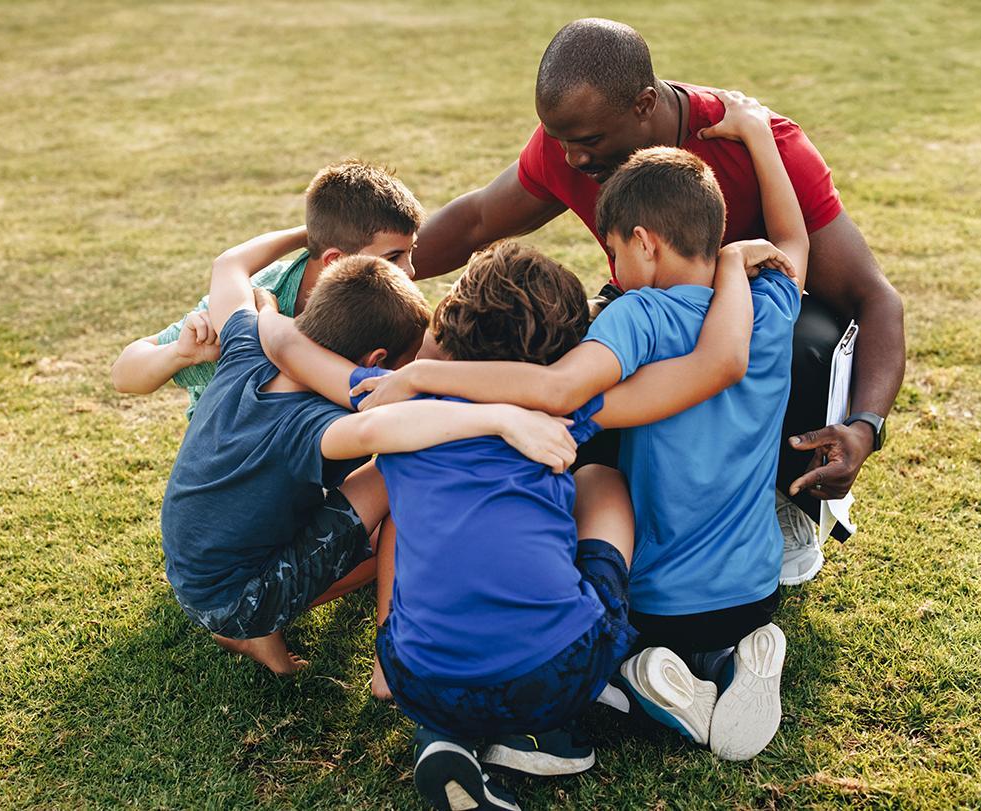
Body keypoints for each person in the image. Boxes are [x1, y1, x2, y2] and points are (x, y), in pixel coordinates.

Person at [355, 100, 807, 761]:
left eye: (616, 250)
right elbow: (796, 242)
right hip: (754, 589)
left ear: (645, 241)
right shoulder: (769, 301)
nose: (614, 268)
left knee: (596, 478)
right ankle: (734, 655)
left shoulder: (638, 317)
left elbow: (557, 391)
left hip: (659, 600)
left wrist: (430, 378)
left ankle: (638, 667)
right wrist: (760, 135)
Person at [258, 239, 779, 806]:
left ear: (450, 322)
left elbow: (290, 347)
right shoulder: (558, 413)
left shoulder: (391, 407)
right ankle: (556, 718)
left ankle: (443, 734)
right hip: (553, 673)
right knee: (603, 482)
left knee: (416, 516)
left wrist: (261, 312)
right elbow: (714, 366)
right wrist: (729, 264)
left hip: (419, 678)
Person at [408, 18, 905, 583]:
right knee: (545, 328)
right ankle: (569, 502)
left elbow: (876, 299)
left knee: (806, 341)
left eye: (588, 142)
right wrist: (378, 273)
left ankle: (781, 499)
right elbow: (475, 219)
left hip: (757, 326)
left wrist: (864, 427)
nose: (571, 159)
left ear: (645, 104)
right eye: (561, 140)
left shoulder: (762, 145)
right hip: (649, 311)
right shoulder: (572, 144)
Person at [159, 226, 575, 676]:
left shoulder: (248, 344)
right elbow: (380, 428)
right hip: (237, 601)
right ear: (376, 362)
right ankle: (345, 650)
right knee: (399, 468)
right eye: (408, 361)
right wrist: (503, 417)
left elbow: (228, 266)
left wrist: (298, 254)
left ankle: (261, 633)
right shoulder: (313, 425)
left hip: (188, 570)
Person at [109, 160, 422, 417]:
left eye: (410, 252)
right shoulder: (262, 294)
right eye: (393, 257)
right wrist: (179, 354)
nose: (410, 271)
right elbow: (124, 374)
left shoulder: (387, 304)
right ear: (335, 259)